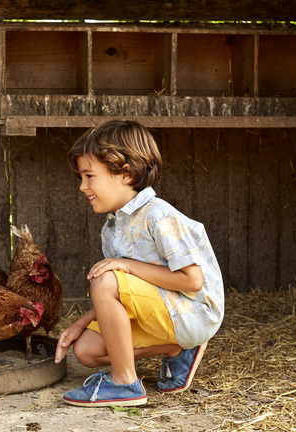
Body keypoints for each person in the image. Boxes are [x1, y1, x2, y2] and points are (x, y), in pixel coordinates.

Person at [54, 120, 224, 407]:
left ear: (125, 173)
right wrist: (80, 323)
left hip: (192, 310)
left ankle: (125, 383)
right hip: (162, 312)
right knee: (86, 351)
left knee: (105, 278)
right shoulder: (111, 229)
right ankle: (176, 348)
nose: (82, 187)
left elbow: (192, 281)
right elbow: (122, 293)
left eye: (89, 176)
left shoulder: (157, 216)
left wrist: (127, 266)